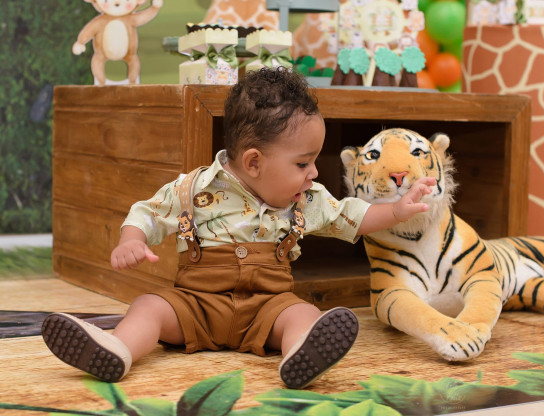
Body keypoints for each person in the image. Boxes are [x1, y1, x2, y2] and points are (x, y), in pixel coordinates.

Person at [41, 68, 436, 389]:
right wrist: (132, 238)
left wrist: (397, 210)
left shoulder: (306, 198)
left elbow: (352, 216)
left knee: (301, 313)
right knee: (149, 307)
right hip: (196, 306)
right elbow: (147, 213)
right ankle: (117, 350)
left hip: (266, 309)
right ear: (253, 162)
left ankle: (302, 352)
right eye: (303, 163)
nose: (314, 173)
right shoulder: (193, 189)